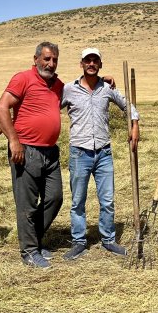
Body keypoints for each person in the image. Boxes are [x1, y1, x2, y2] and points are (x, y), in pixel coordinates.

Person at [60, 48, 139, 260]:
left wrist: (135, 124)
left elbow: (127, 105)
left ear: (100, 65)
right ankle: (79, 241)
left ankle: (108, 239)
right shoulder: (69, 89)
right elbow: (50, 108)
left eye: (95, 60)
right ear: (81, 64)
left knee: (107, 200)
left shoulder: (107, 88)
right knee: (78, 201)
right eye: (88, 60)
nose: (91, 64)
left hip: (103, 152)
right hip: (79, 153)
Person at [0, 42, 64, 269]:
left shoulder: (58, 85)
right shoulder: (23, 78)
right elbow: (1, 107)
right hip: (25, 150)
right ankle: (30, 251)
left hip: (50, 152)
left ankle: (34, 239)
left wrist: (103, 80)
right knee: (27, 203)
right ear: (35, 59)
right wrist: (13, 140)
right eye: (46, 59)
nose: (50, 64)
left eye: (54, 59)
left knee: (55, 198)